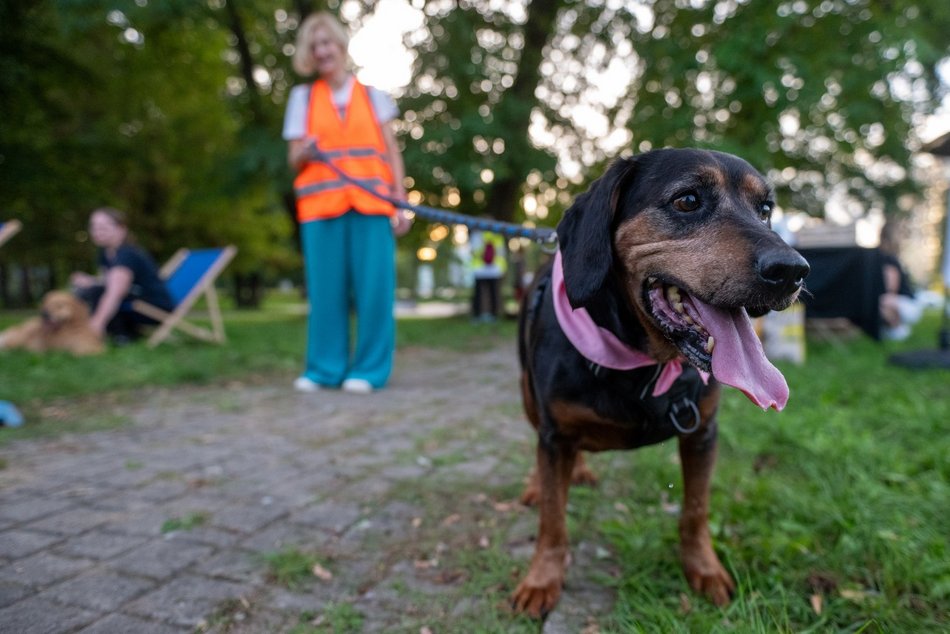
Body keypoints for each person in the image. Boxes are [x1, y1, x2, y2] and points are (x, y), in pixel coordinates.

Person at [283, 12, 411, 394]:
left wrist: (401, 201)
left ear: (340, 45)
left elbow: (391, 151)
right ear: (308, 54)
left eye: (327, 43)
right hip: (320, 210)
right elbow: (293, 158)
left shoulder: (373, 97)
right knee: (325, 293)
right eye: (314, 46)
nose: (322, 51)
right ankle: (324, 369)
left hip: (371, 206)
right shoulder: (302, 98)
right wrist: (305, 151)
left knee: (374, 292)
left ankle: (369, 370)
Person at [70, 207, 174, 343]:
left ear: (121, 229)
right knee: (88, 289)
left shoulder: (127, 254)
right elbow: (107, 281)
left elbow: (115, 292)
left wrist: (96, 324)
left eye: (103, 227)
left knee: (96, 292)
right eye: (94, 227)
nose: (97, 232)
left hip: (154, 309)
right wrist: (90, 281)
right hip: (134, 303)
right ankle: (123, 332)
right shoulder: (105, 254)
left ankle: (120, 334)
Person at [878, 221, 922, 341]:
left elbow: (891, 288)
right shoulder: (889, 257)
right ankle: (891, 330)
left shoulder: (888, 259)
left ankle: (897, 329)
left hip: (908, 305)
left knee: (882, 300)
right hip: (907, 304)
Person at [469, 228, 507, 322]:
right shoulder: (497, 235)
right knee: (493, 293)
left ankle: (478, 315)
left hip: (480, 269)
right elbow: (501, 253)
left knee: (479, 294)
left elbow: (473, 252)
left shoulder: (477, 235)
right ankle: (493, 315)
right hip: (493, 270)